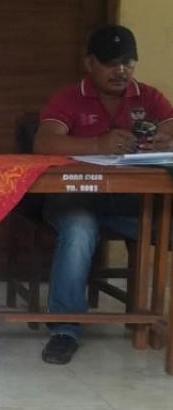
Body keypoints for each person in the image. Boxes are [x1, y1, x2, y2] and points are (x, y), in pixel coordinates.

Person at [33, 24, 173, 365]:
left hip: (131, 203)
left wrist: (167, 140)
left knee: (165, 224)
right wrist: (97, 144)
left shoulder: (148, 97)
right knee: (79, 228)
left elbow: (170, 127)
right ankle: (65, 329)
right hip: (74, 198)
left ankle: (153, 322)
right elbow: (44, 142)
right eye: (111, 63)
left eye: (127, 62)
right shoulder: (69, 98)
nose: (120, 70)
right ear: (90, 63)